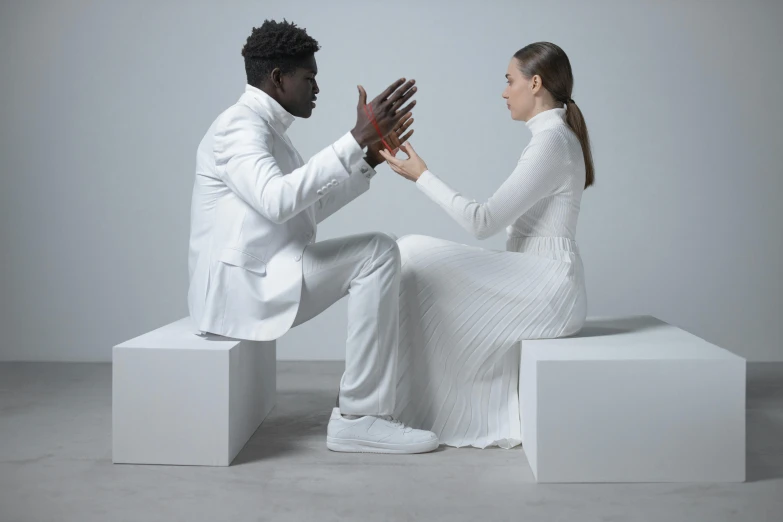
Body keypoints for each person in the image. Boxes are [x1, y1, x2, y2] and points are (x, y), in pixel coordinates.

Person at [187, 20, 439, 454]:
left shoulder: (269, 132)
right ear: (278, 78)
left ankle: (363, 411)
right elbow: (277, 200)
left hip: (265, 272)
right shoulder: (238, 127)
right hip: (242, 287)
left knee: (377, 251)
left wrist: (368, 158)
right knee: (377, 252)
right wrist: (354, 137)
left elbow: (306, 208)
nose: (317, 88)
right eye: (309, 78)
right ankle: (360, 417)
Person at [379, 42, 594, 448]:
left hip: (548, 289)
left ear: (535, 83)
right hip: (539, 279)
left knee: (411, 253)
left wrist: (421, 175)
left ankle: (395, 401)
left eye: (509, 80)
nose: (503, 91)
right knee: (410, 258)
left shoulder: (552, 142)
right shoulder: (553, 138)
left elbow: (483, 222)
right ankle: (394, 397)